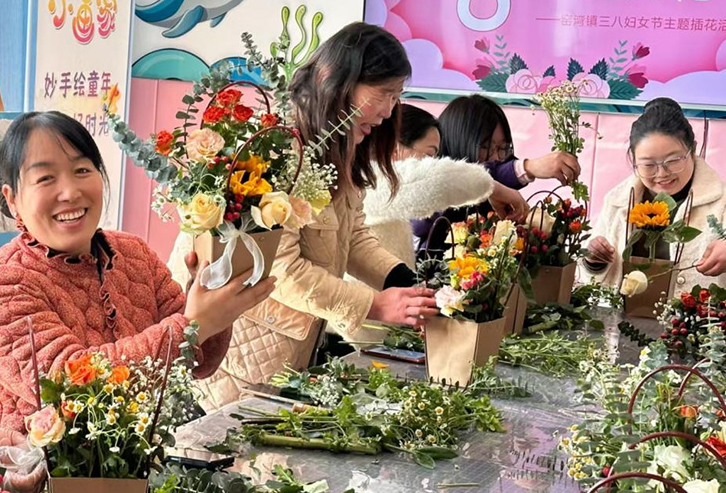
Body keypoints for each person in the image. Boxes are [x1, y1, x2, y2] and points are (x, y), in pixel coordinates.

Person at [0, 112, 274, 432]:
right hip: (46, 463)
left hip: (146, 449)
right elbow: (77, 389)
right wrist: (193, 325)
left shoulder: (133, 252)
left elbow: (200, 363)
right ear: (12, 199)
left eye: (82, 170)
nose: (70, 192)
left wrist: (210, 296)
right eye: (45, 178)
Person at [185, 22, 440, 408]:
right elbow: (281, 270)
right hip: (239, 364)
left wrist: (405, 282)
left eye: (397, 97)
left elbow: (353, 236)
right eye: (384, 94)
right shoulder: (277, 149)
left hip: (291, 355)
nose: (389, 111)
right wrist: (374, 305)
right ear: (339, 82)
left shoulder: (338, 147)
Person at [582, 97, 726, 291]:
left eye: (673, 160)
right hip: (623, 310)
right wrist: (593, 260)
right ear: (634, 159)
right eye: (648, 164)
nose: (662, 173)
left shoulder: (721, 202)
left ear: (692, 150)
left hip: (696, 310)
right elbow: (588, 278)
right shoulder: (617, 202)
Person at [360, 103, 527, 269]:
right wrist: (494, 186)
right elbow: (443, 181)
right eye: (429, 156)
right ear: (395, 149)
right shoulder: (374, 183)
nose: (433, 166)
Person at [415, 94, 578, 255]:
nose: (496, 158)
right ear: (457, 142)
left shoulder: (498, 184)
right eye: (486, 147)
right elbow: (486, 172)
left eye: (502, 148)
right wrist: (528, 168)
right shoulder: (429, 182)